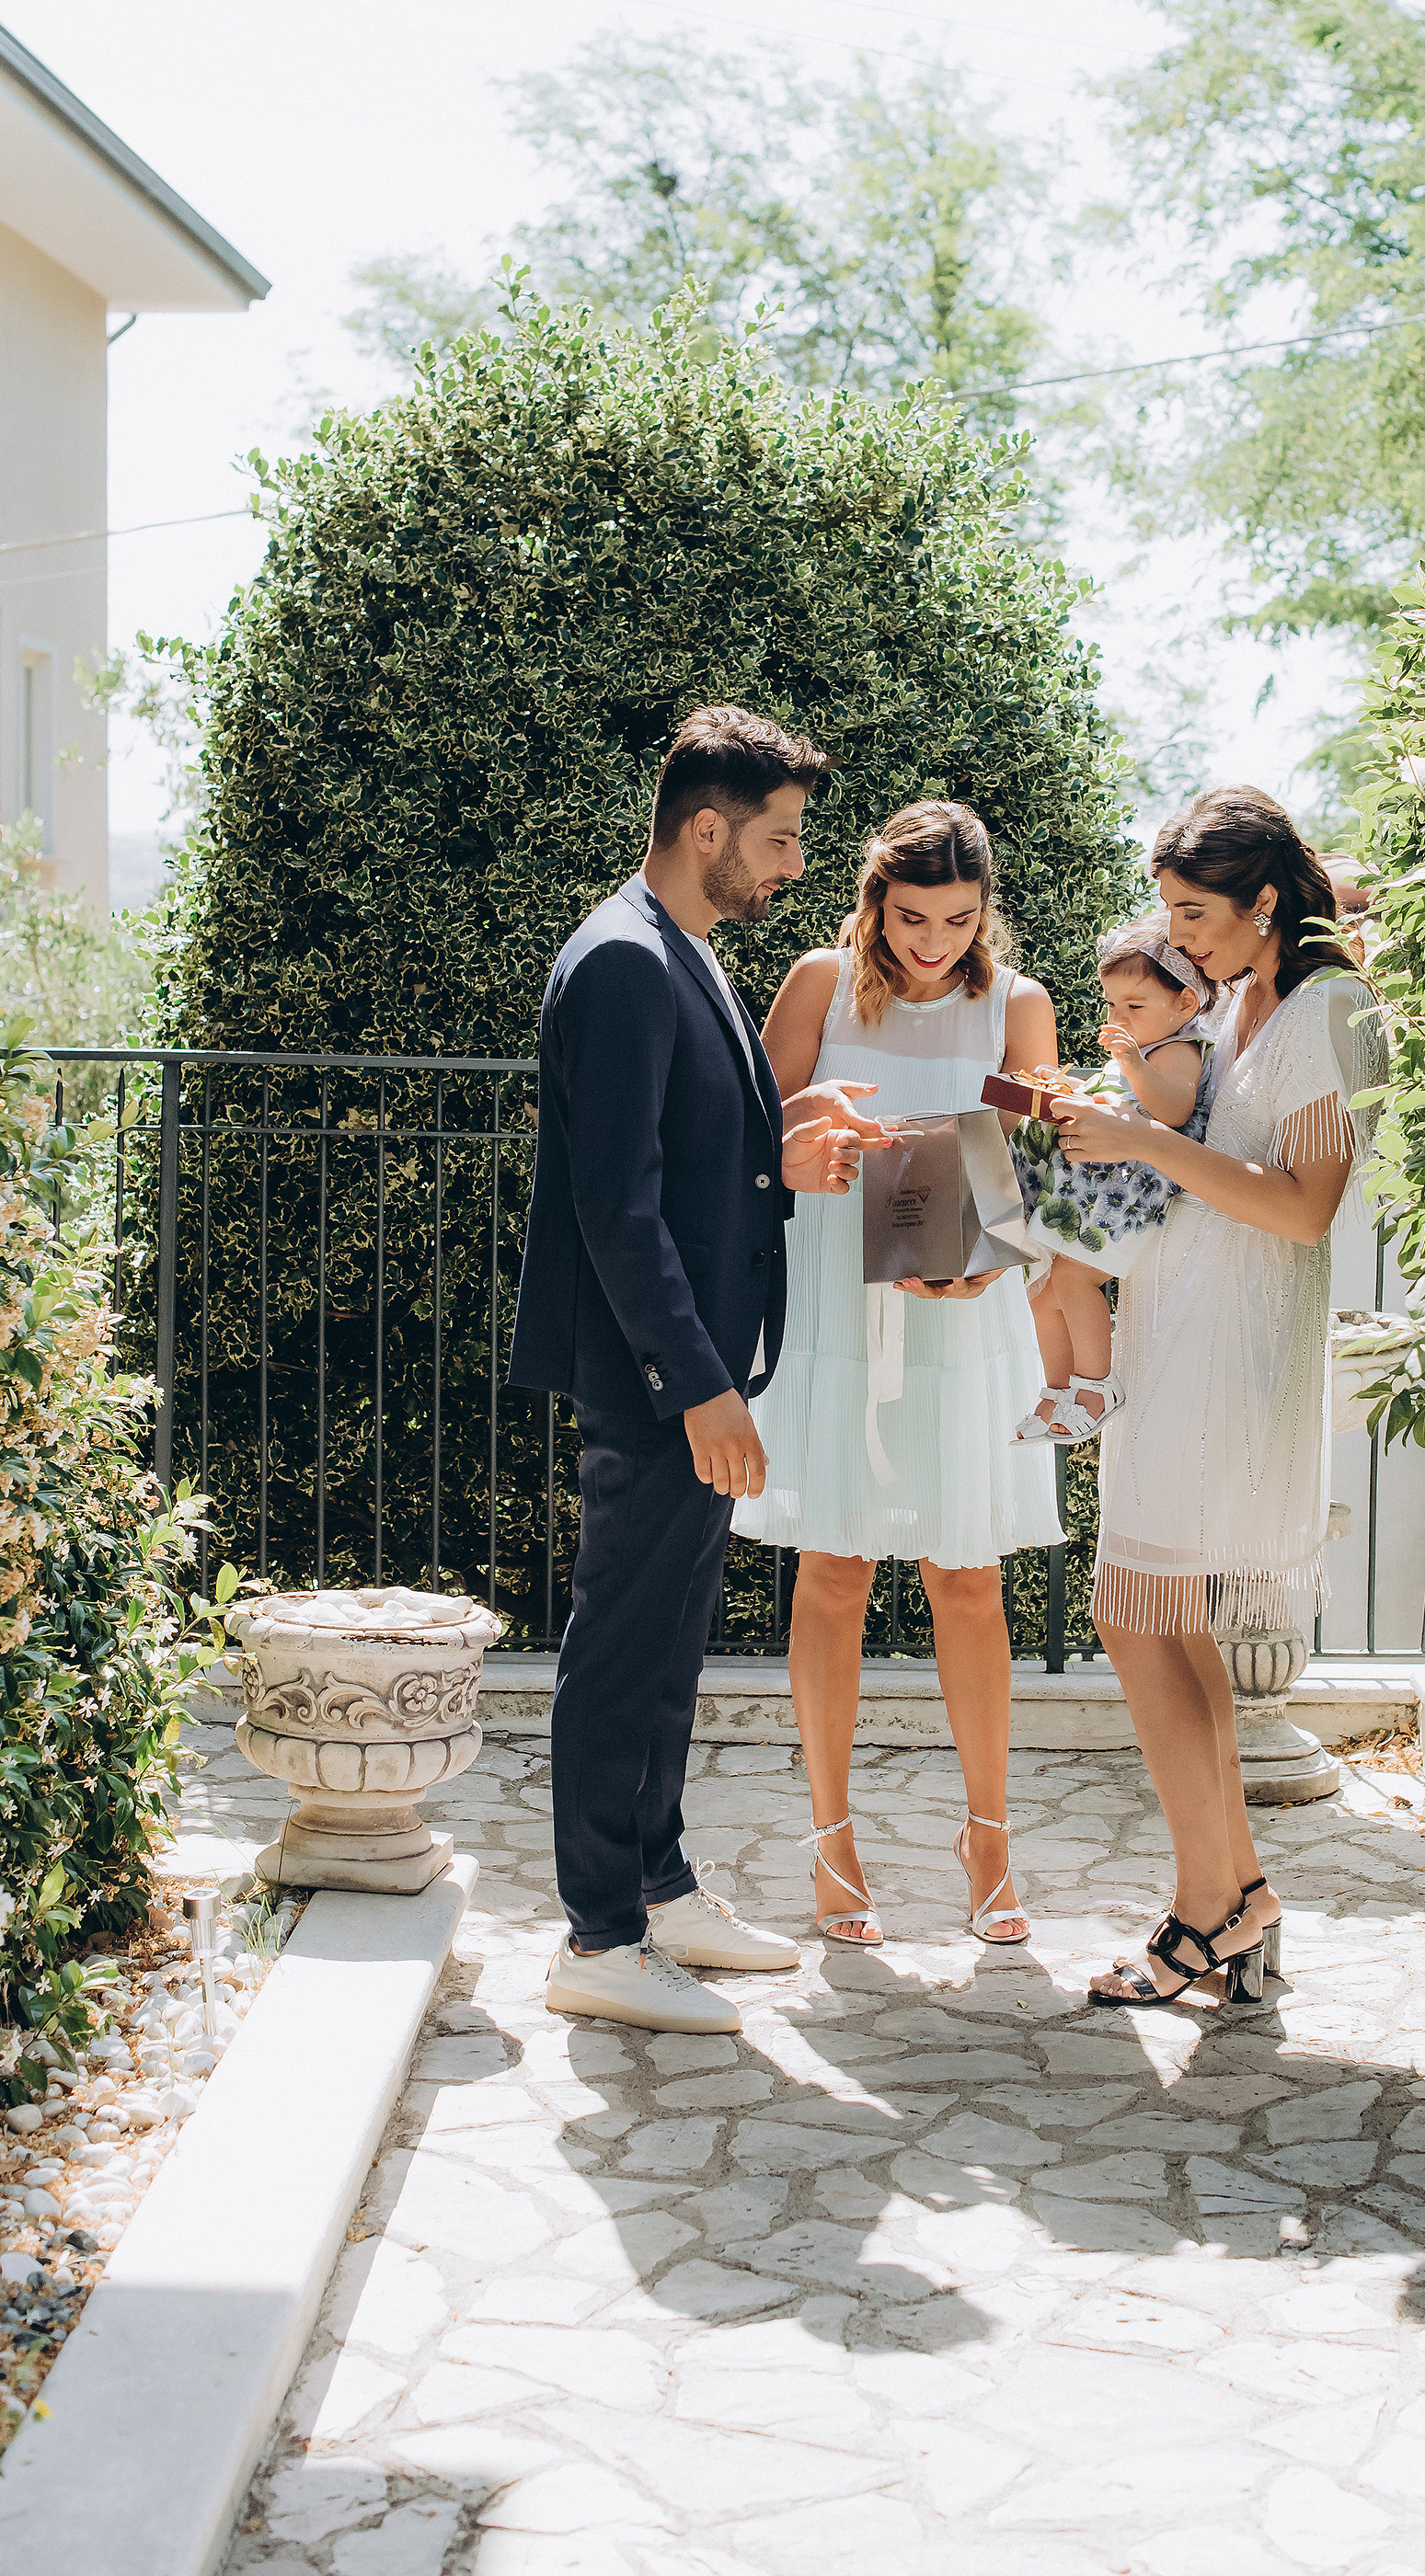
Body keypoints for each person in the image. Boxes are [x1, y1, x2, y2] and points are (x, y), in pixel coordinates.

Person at [509, 704, 879, 2035]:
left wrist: (781, 1142)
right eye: (777, 841)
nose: (790, 868)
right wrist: (698, 1384)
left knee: (669, 1643)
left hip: (697, 1367)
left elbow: (675, 1154)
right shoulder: (620, 959)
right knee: (622, 1646)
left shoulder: (686, 949)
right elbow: (616, 1204)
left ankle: (658, 1888)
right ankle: (599, 1938)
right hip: (662, 1376)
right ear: (705, 827)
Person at [1047, 787, 1387, 2010]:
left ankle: (1211, 1909)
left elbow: (1303, 1208)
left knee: (1135, 1609)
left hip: (1235, 1353)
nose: (1177, 936)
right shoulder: (1240, 995)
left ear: (1263, 901)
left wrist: (1139, 1146)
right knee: (1157, 1617)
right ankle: (1235, 1899)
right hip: (1176, 1330)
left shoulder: (1330, 1009)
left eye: (1196, 912)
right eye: (1168, 911)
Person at [733, 801, 1063, 1949]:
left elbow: (1039, 1171)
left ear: (985, 912)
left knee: (966, 1578)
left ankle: (987, 1840)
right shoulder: (818, 982)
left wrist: (992, 1263)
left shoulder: (1017, 1003)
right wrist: (817, 1145)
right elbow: (749, 1132)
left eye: (959, 920)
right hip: (834, 1295)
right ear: (875, 899)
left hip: (962, 1314)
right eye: (912, 916)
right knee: (832, 1569)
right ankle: (831, 1841)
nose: (934, 943)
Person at [1010, 918, 1215, 1448]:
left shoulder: (1177, 1051)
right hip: (1091, 1188)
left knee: (1077, 1280)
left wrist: (1130, 1062)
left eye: (1134, 1006)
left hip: (1128, 1194)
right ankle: (1058, 1392)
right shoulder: (1140, 1052)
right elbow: (1115, 1102)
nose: (1118, 1018)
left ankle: (1098, 1388)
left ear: (1185, 1005)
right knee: (1045, 1289)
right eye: (1111, 1006)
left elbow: (1172, 1110)